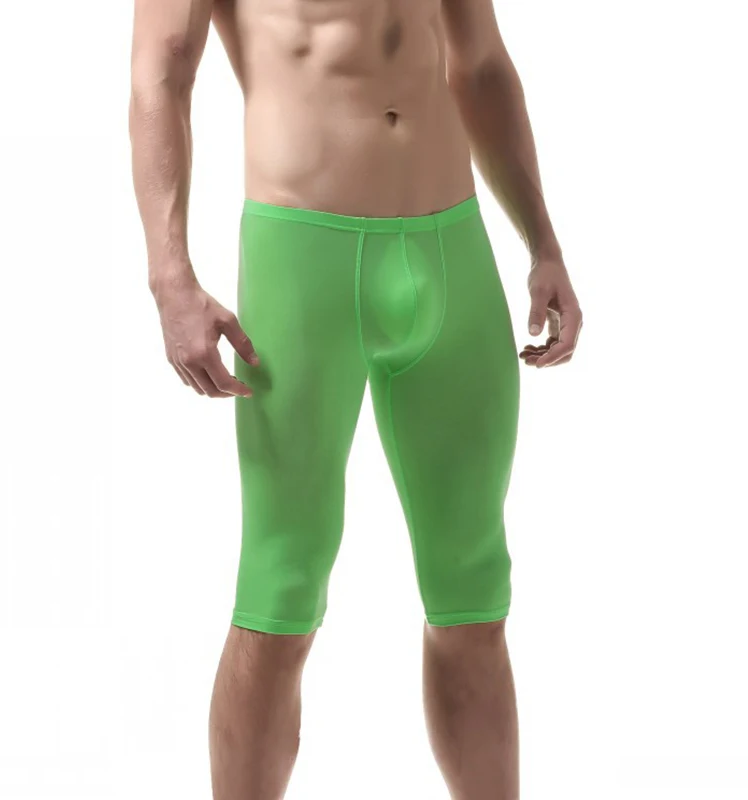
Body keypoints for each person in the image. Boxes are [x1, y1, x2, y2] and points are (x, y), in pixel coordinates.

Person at [129, 0, 582, 797]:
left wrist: (543, 242)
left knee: (474, 594)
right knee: (279, 591)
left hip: (452, 247)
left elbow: (480, 64)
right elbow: (162, 69)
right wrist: (171, 278)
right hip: (303, 258)